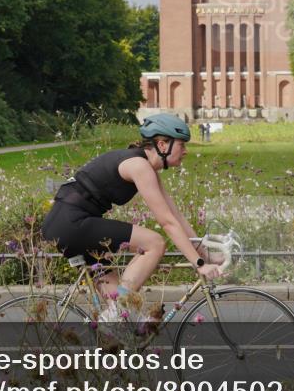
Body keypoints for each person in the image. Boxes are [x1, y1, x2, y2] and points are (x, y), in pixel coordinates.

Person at [40, 114, 223, 322]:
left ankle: (114, 326)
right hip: (71, 223)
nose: (185, 151)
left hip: (66, 223)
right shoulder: (139, 166)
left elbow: (176, 217)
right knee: (154, 243)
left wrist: (205, 254)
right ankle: (118, 310)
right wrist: (199, 263)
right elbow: (167, 223)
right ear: (162, 145)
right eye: (181, 144)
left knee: (122, 319)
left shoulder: (145, 167)